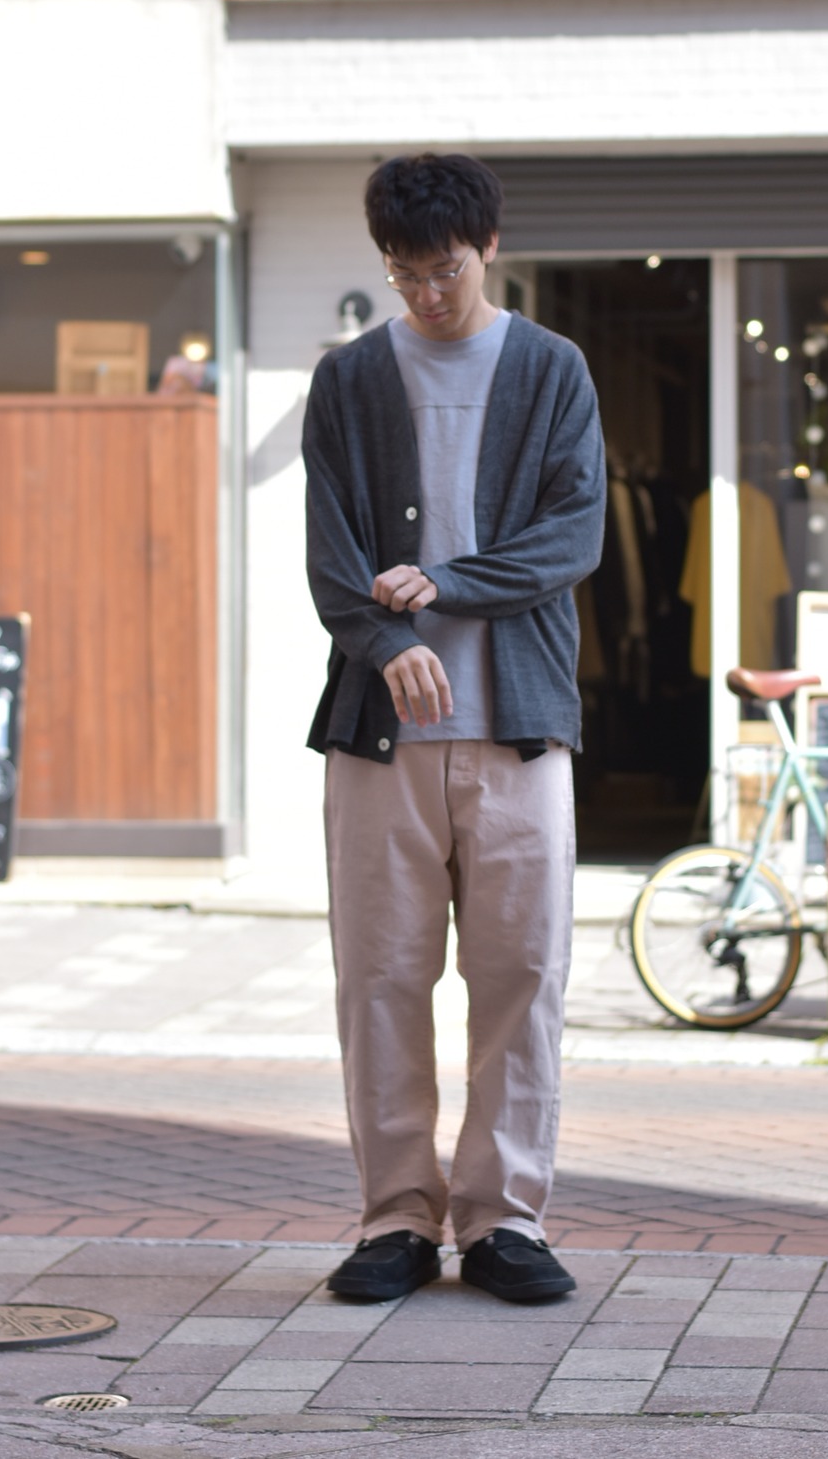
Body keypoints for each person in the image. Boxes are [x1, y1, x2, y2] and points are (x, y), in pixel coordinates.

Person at [303, 152, 605, 1306]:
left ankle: (502, 1221)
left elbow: (573, 533)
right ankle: (393, 1217)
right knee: (380, 977)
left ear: (489, 248)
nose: (427, 294)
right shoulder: (348, 380)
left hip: (518, 728)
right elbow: (332, 557)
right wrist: (389, 644)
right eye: (404, 273)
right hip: (379, 738)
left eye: (445, 270)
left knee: (522, 973)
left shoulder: (550, 368)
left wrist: (447, 583)